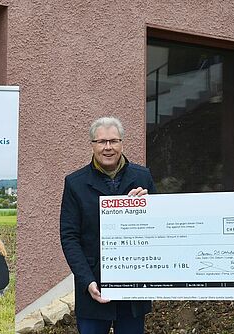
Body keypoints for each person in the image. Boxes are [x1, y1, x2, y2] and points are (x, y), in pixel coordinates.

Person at [60, 116, 156, 334]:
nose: (108, 147)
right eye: (101, 142)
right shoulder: (75, 183)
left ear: (122, 143)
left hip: (133, 285)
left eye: (113, 141)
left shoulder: (143, 177)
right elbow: (69, 237)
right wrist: (86, 281)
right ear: (92, 145)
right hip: (94, 286)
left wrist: (149, 205)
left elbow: (158, 229)